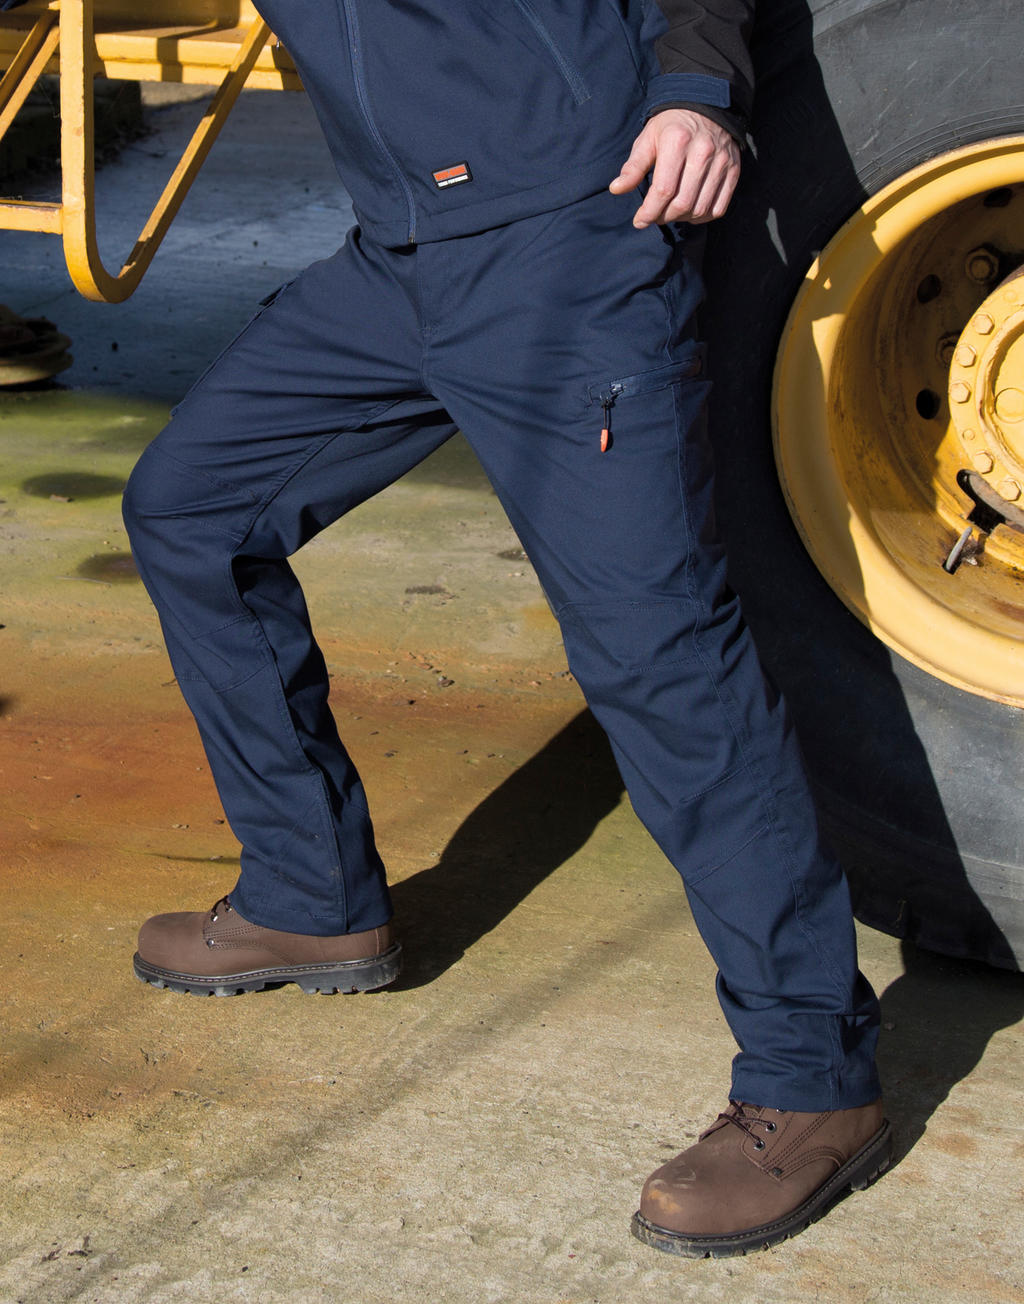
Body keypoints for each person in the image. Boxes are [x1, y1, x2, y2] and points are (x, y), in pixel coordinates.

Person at [121, 0, 890, 1259]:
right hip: (397, 260)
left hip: (569, 237)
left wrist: (696, 83)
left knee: (658, 658)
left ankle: (814, 1077)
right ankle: (311, 893)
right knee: (190, 510)